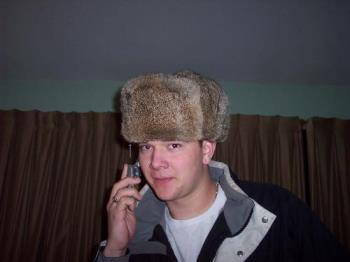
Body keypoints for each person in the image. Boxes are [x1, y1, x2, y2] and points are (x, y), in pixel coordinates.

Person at [96, 71, 349, 262]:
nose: (154, 162)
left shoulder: (276, 211)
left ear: (206, 149)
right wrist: (115, 249)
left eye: (173, 145)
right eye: (146, 147)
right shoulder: (137, 233)